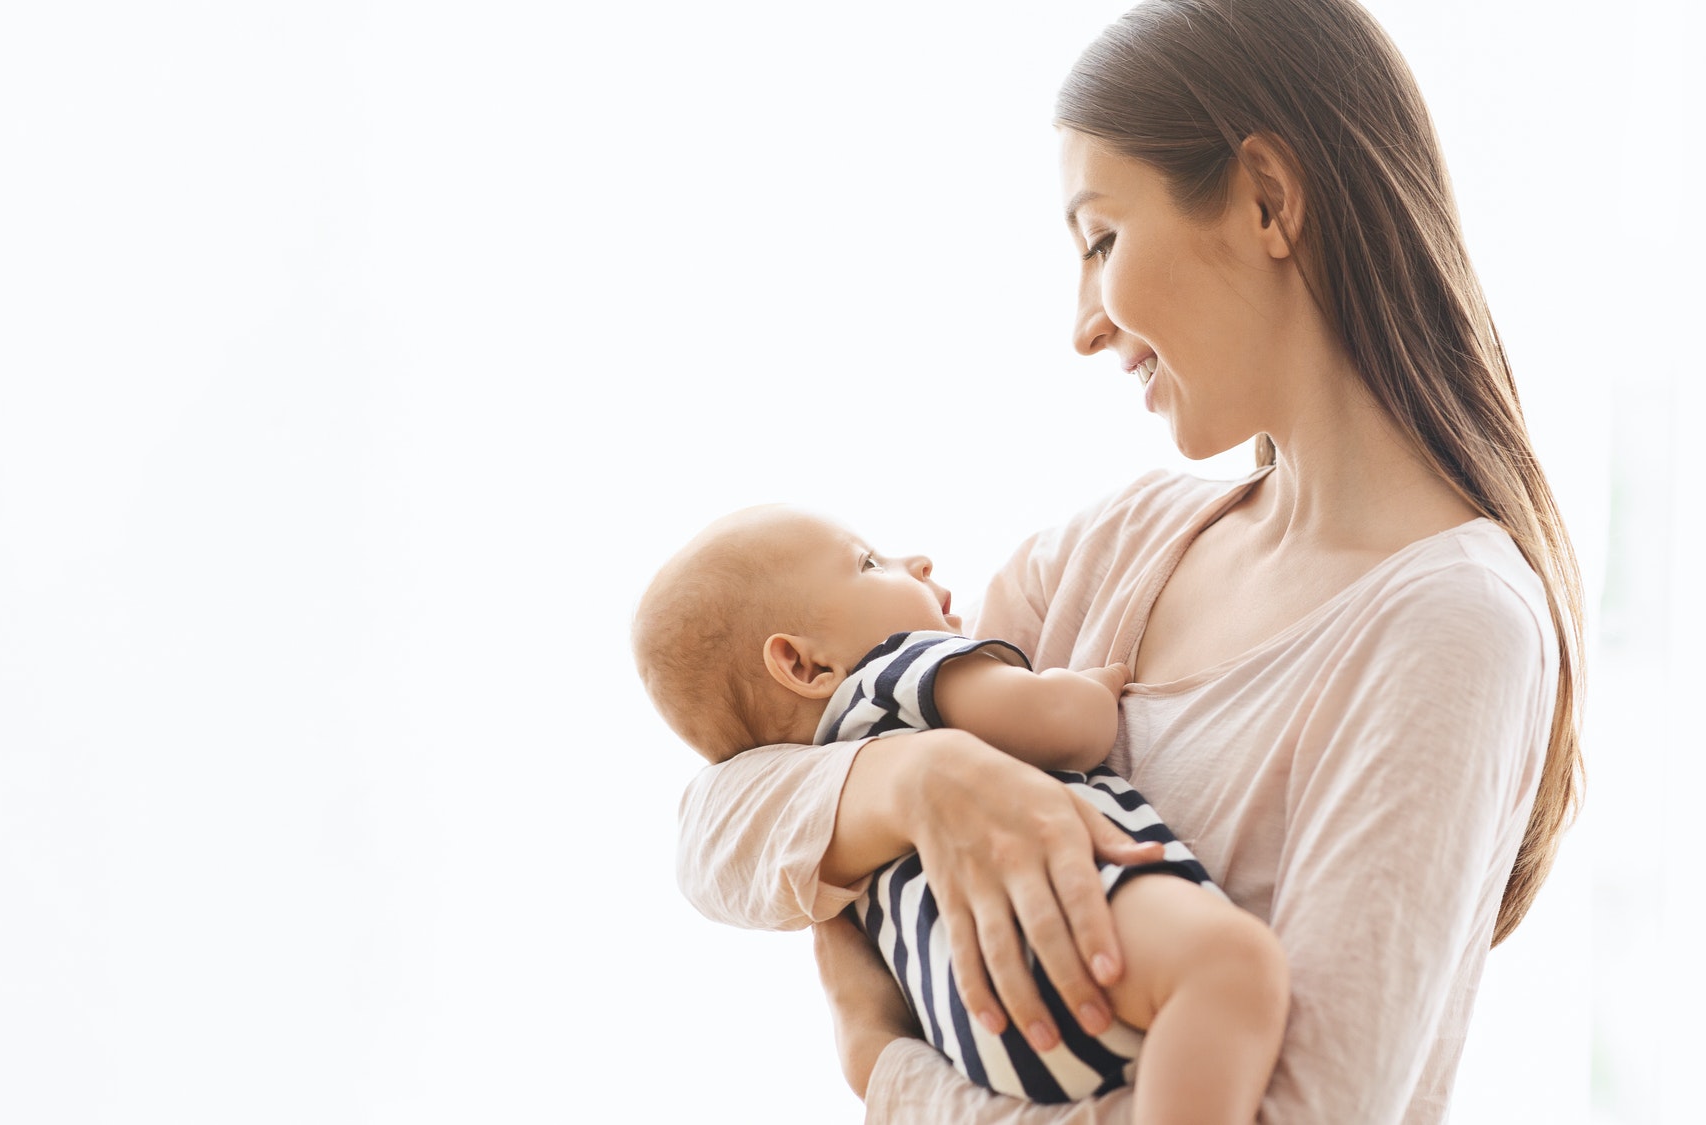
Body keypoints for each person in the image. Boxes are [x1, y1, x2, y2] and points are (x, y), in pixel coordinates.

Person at [672, 0, 1585, 1121]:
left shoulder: (1450, 625)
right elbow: (716, 825)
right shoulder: (1105, 557)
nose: (1082, 327)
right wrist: (922, 780)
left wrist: (882, 1067)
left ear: (1265, 199)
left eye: (1099, 239)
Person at [632, 505, 1288, 1119]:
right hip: (1059, 935)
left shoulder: (829, 780)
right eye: (868, 564)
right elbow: (1057, 722)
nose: (914, 561)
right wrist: (1096, 687)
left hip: (976, 1030)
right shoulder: (900, 673)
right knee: (1229, 968)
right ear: (804, 664)